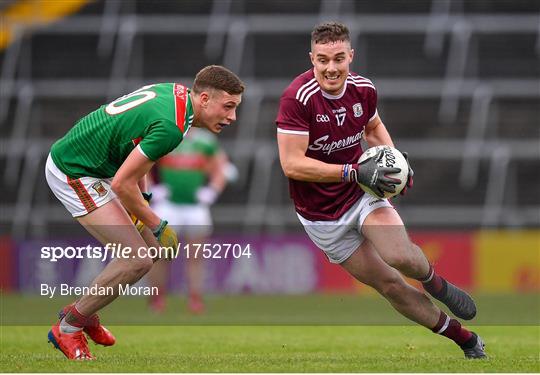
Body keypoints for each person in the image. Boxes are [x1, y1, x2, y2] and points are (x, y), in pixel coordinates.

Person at [275, 22, 486, 359]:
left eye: (339, 59)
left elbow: (372, 126)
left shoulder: (363, 89)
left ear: (351, 56)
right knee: (390, 286)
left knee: (400, 256)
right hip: (321, 216)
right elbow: (292, 165)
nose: (331, 68)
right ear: (312, 59)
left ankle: (435, 283)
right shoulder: (297, 98)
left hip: (361, 193)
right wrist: (351, 170)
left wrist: (396, 163)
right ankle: (466, 339)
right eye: (323, 60)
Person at [45, 65, 245, 359]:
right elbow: (123, 184)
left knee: (148, 252)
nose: (232, 117)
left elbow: (134, 150)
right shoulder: (173, 127)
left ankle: (85, 312)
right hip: (74, 172)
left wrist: (145, 209)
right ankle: (70, 327)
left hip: (98, 168)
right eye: (228, 107)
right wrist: (158, 224)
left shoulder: (175, 93)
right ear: (204, 99)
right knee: (138, 258)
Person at [145, 127, 232, 314]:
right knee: (160, 256)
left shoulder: (206, 141)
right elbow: (143, 164)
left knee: (196, 256)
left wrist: (213, 190)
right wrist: (153, 188)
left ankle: (195, 298)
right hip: (167, 205)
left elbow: (222, 167)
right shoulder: (166, 136)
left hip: (195, 206)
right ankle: (157, 297)